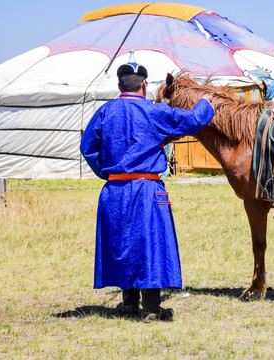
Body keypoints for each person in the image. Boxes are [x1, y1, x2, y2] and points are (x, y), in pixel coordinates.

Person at [80, 57, 214, 322]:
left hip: (114, 190)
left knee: (123, 242)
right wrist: (207, 101)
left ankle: (129, 304)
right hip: (147, 188)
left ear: (120, 86)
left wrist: (107, 173)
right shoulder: (156, 112)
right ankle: (152, 309)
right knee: (151, 243)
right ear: (143, 85)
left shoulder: (105, 112)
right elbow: (193, 121)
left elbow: (88, 148)